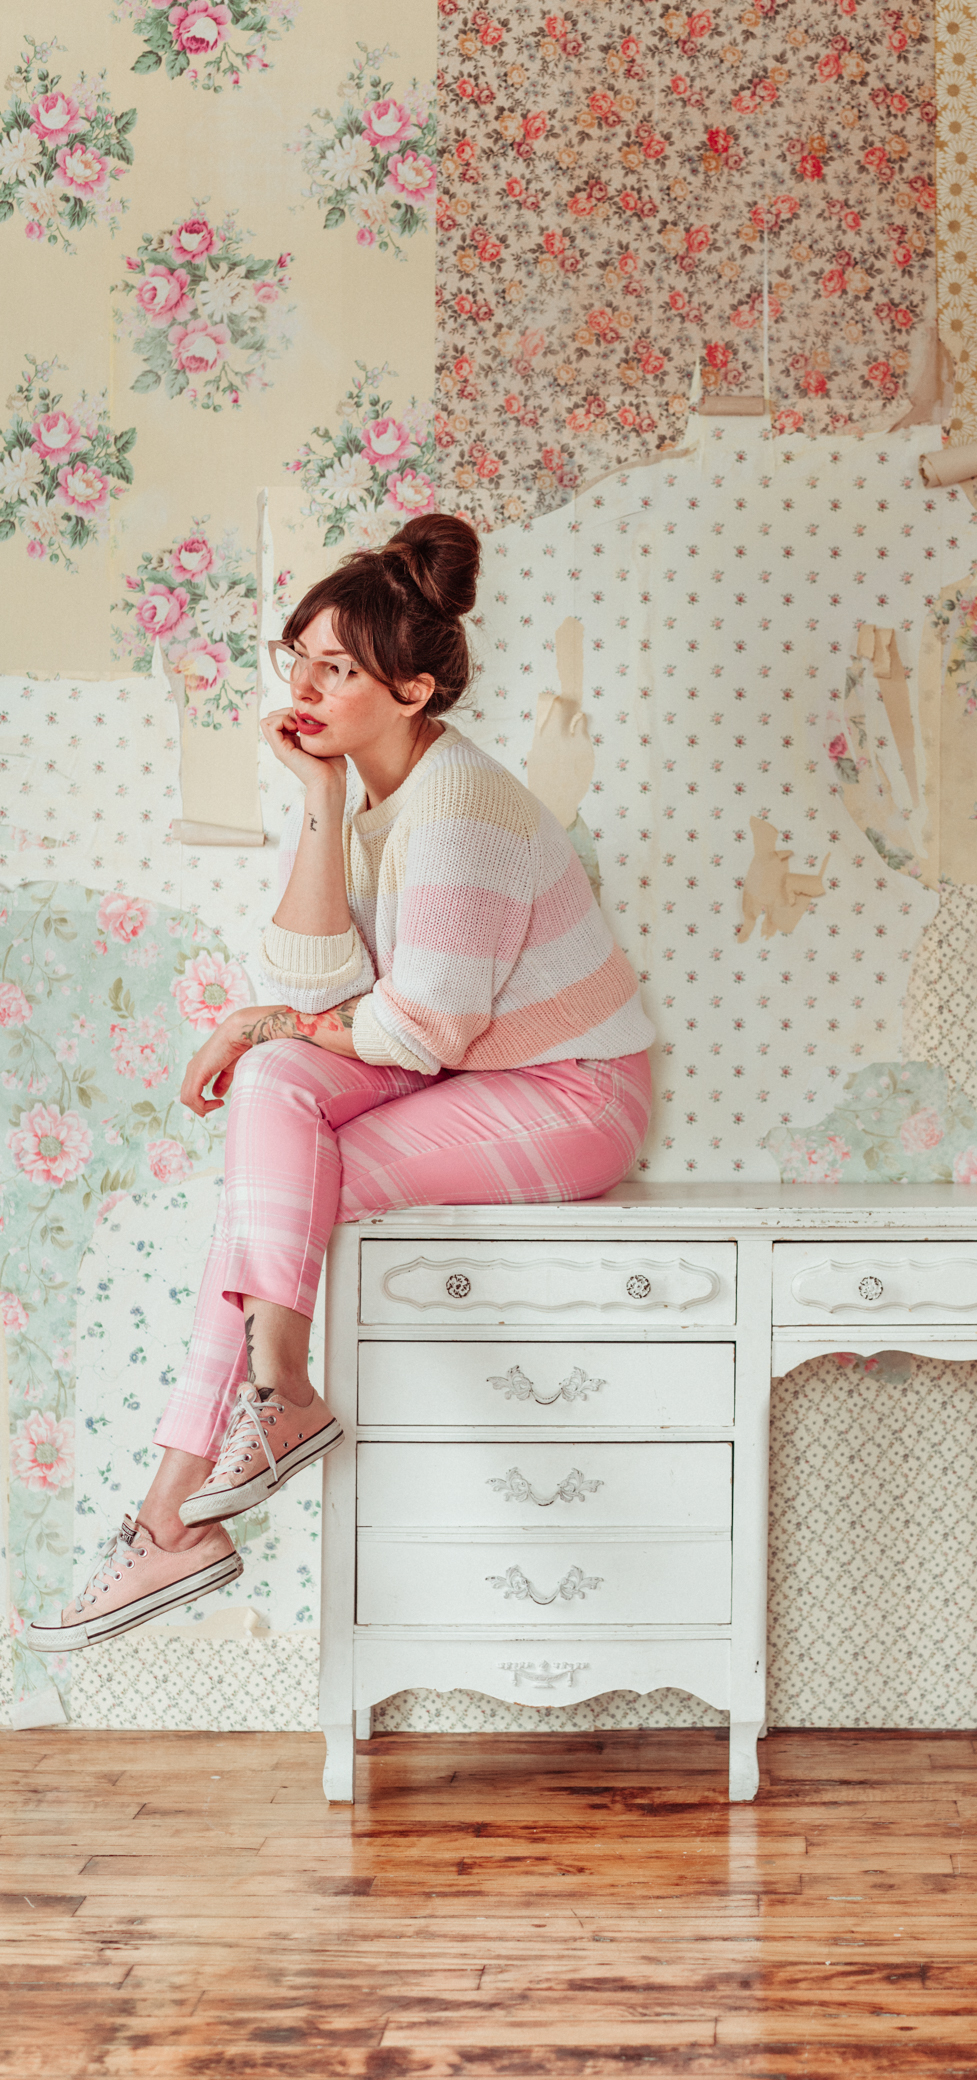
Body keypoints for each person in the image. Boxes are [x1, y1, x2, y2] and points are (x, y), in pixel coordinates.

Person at [29, 513, 654, 1652]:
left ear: (413, 690)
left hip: (574, 1095)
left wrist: (265, 1017)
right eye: (298, 658)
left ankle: (180, 1503)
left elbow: (419, 1033)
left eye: (340, 668)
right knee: (273, 1092)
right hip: (470, 1076)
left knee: (277, 1159)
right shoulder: (366, 795)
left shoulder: (459, 805)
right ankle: (260, 1416)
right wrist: (315, 802)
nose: (306, 686)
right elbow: (316, 977)